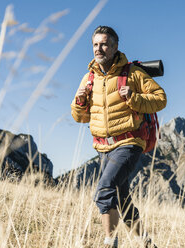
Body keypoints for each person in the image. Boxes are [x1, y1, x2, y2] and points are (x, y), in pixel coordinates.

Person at [71, 26, 166, 247]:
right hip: (103, 147)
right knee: (121, 198)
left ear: (115, 47)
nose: (99, 48)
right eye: (95, 44)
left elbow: (161, 99)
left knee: (104, 191)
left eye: (104, 44)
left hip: (129, 142)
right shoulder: (89, 78)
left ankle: (109, 242)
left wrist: (133, 97)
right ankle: (146, 242)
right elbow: (80, 117)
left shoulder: (132, 73)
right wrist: (79, 101)